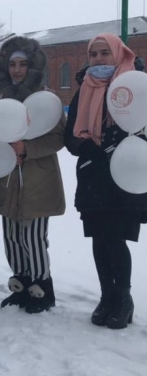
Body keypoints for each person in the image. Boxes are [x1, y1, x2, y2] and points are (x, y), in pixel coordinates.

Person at [65, 33, 146, 329]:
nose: (98, 60)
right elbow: (71, 138)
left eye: (104, 53)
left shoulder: (135, 84)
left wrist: (120, 142)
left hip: (124, 174)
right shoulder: (83, 88)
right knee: (98, 238)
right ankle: (106, 295)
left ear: (118, 54)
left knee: (115, 237)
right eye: (94, 54)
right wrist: (89, 148)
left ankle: (123, 299)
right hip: (92, 173)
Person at [0, 37, 66, 314]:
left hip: (37, 179)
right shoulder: (1, 100)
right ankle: (21, 283)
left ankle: (42, 287)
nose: (17, 70)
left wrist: (28, 148)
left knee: (32, 236)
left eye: (23, 64)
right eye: (13, 64)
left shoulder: (47, 99)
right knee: (11, 234)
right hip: (8, 179)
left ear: (32, 66)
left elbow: (58, 138)